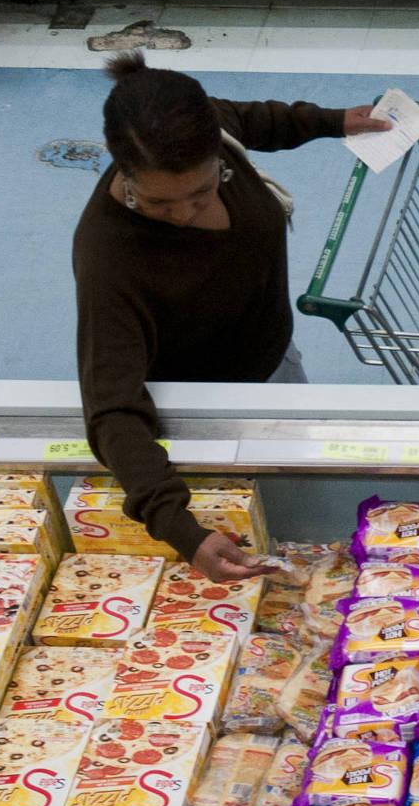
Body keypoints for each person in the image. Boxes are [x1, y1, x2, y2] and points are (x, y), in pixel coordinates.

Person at [75, 53, 396, 580]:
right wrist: (179, 526)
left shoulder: (204, 129)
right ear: (120, 165)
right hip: (205, 403)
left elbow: (254, 119)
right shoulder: (109, 255)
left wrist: (332, 121)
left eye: (203, 191)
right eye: (158, 203)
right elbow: (111, 408)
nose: (182, 214)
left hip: (272, 356)